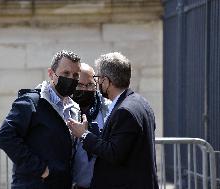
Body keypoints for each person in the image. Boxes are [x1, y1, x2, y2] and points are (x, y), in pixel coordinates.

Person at [67, 52, 159, 189]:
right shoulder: (140, 102)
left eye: (98, 79)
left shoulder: (125, 111)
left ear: (106, 81)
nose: (97, 84)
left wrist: (84, 135)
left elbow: (114, 153)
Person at [0, 50, 81, 189]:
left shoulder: (73, 108)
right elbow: (5, 136)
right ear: (51, 74)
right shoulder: (32, 102)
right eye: (66, 73)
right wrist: (40, 169)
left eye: (75, 75)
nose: (71, 78)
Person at [71, 63, 110, 189]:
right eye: (79, 85)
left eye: (89, 85)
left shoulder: (108, 109)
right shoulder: (65, 109)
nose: (85, 89)